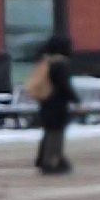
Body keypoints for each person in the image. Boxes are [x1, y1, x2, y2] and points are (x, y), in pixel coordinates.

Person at [30, 36, 77, 175]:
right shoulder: (60, 63)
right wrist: (74, 99)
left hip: (46, 102)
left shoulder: (45, 61)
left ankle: (44, 158)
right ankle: (52, 160)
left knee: (49, 130)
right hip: (57, 103)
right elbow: (63, 85)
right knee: (56, 132)